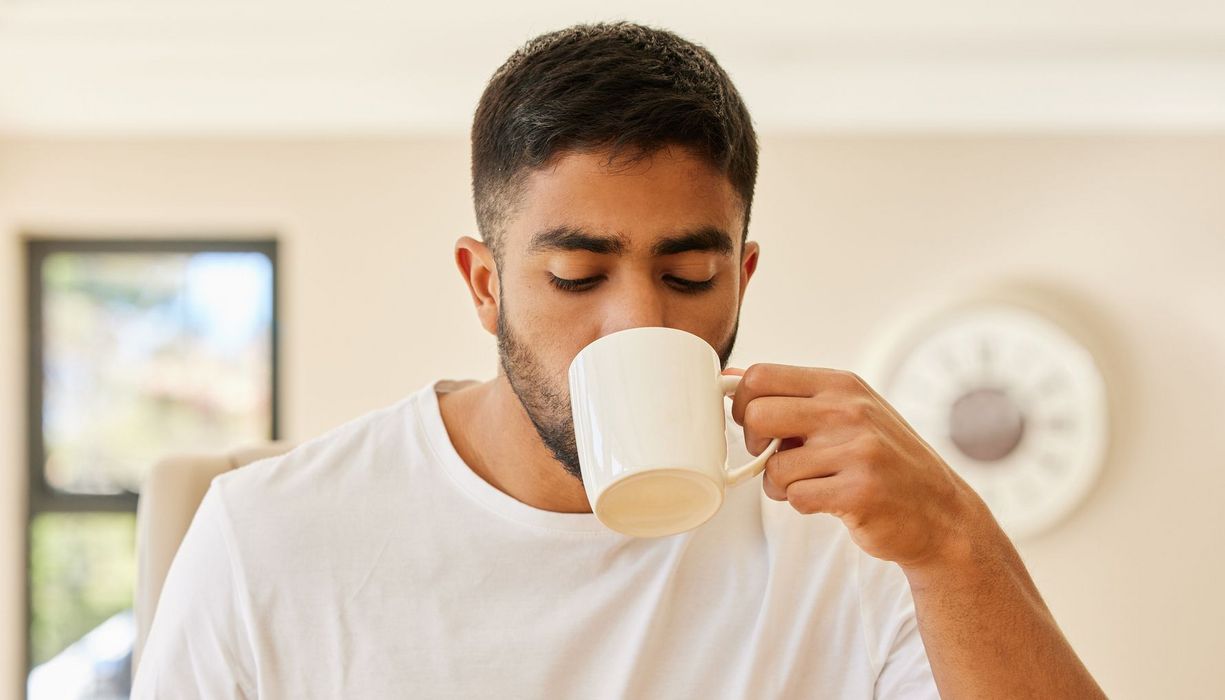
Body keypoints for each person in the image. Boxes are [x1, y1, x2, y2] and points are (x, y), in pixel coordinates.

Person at [133, 21, 1105, 698]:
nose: (637, 322)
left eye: (687, 275)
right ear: (484, 284)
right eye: (574, 273)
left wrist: (952, 546)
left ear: (743, 278)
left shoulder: (851, 539)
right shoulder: (273, 538)